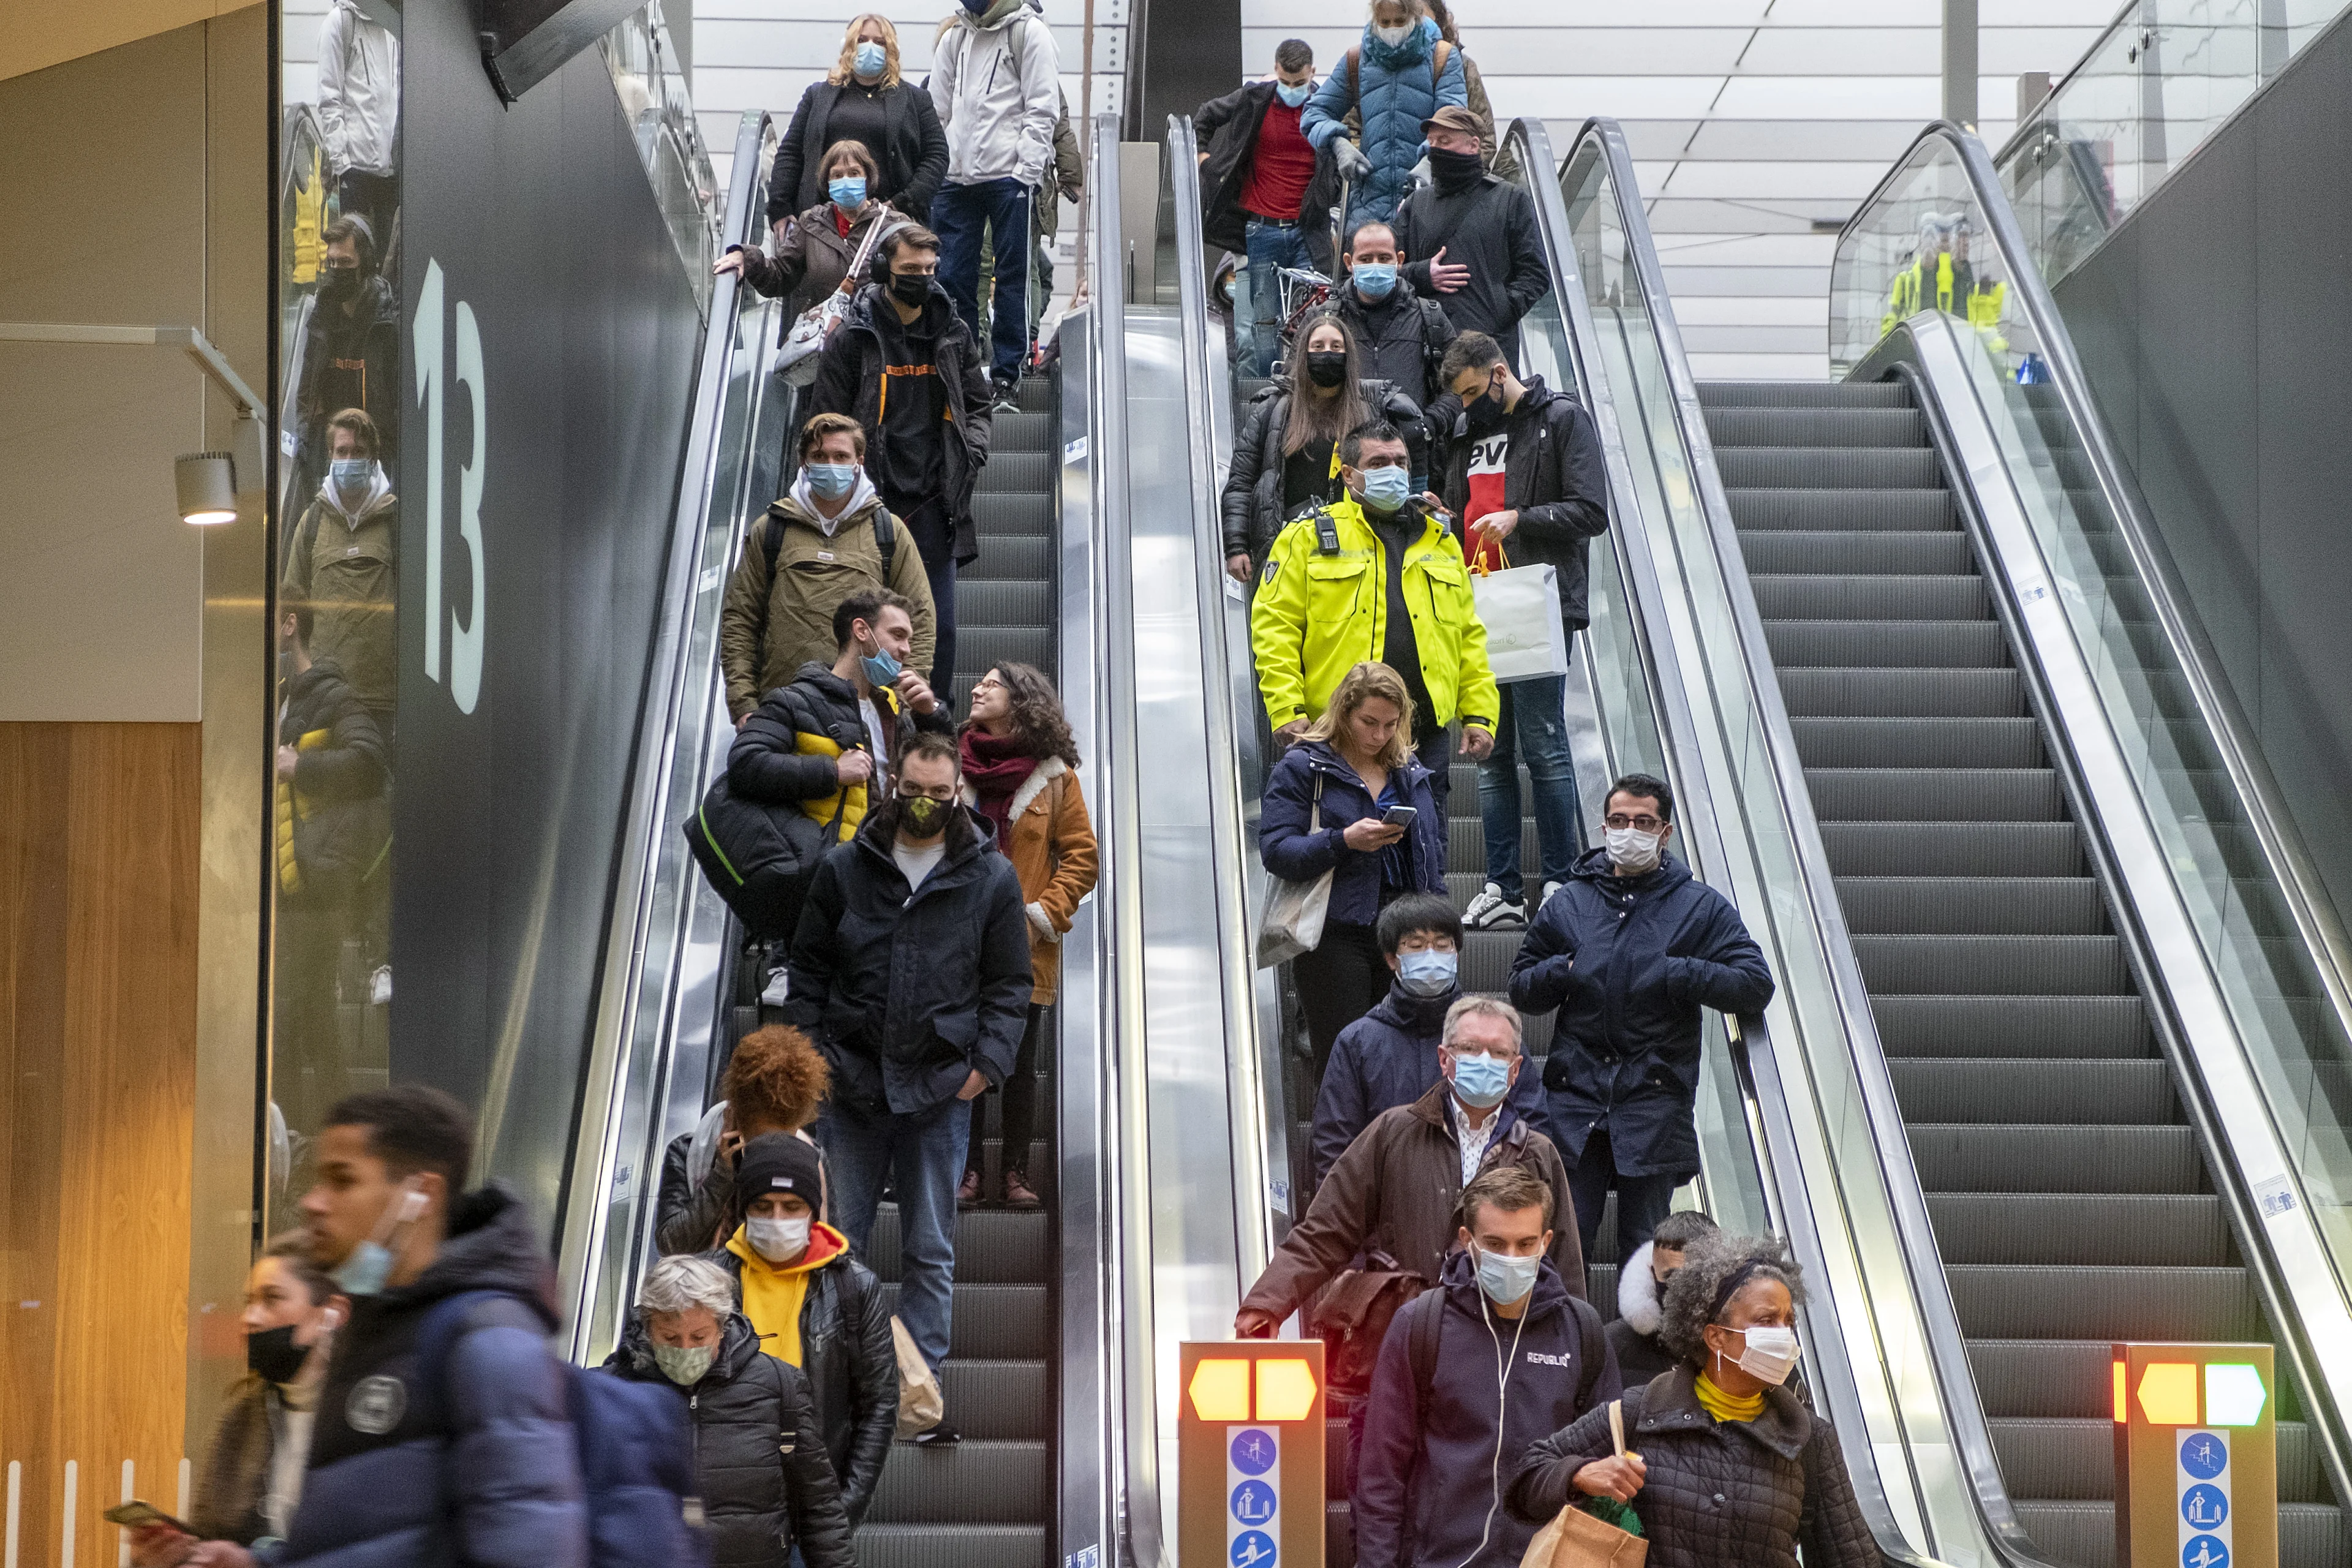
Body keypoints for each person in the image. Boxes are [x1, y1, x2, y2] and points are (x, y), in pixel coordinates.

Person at [160, 1085, 589, 1567]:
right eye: (318, 1180)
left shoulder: (489, 1336)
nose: (314, 1203)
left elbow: (529, 1548)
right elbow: (368, 1539)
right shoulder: (373, 1333)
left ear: (419, 1196)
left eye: (342, 1181)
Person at [785, 731, 1031, 1430]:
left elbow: (1009, 984)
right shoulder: (845, 868)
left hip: (940, 1089)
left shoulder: (990, 876)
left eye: (938, 794)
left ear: (959, 793)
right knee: (839, 1243)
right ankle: (835, 1393)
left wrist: (985, 1069)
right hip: (852, 1085)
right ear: (895, 786)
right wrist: (812, 1059)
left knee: (930, 1248)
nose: (924, 805)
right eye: (913, 792)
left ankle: (917, 1395)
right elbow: (808, 971)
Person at [1235, 997, 1585, 1477]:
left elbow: (1562, 1267)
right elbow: (1326, 1230)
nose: (1484, 1062)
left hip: (1495, 1360)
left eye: (1498, 1053)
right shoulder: (1392, 1133)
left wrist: (1572, 1364)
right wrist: (1267, 1303)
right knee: (1380, 1486)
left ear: (1516, 1069)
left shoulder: (1538, 1153)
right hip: (1396, 1347)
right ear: (1445, 1058)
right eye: (1470, 1049)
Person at [1508, 774, 1775, 1265]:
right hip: (1576, 1100)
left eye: (1642, 822)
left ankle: (1639, 1344)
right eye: (1618, 821)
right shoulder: (1571, 901)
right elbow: (1521, 986)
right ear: (1604, 826)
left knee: (1647, 1256)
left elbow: (1755, 984)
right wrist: (1565, 970)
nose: (1628, 831)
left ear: (1665, 832)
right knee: (1562, 1245)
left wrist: (1675, 972)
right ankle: (1567, 1340)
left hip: (1654, 1102)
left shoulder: (1698, 906)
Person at [1509, 1235, 1875, 1568]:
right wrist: (1579, 1474)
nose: (1783, 1334)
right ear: (1716, 1337)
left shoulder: (1810, 1439)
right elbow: (1528, 1476)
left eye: (1788, 1320)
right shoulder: (1641, 1412)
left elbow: (1850, 1558)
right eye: (1766, 1320)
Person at [1354, 1165, 1619, 1568]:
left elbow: (1607, 1458)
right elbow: (1381, 1472)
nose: (1511, 1258)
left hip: (1549, 1558)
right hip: (1440, 1557)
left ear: (1546, 1242)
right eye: (1495, 1243)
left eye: (1526, 1243)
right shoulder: (1421, 1325)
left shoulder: (1582, 1331)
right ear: (1468, 1241)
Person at [1436, 331, 1608, 932]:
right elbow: (1463, 508)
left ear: (1500, 372)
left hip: (1537, 602)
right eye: (1460, 398)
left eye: (1472, 391)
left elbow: (1592, 511)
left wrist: (1520, 518)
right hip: (1478, 603)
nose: (1467, 406)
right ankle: (1503, 887)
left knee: (1544, 743)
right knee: (1491, 751)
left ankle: (1560, 878)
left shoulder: (1559, 418)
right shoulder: (1468, 433)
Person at [1248, 421, 1496, 826]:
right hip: (1337, 732)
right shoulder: (1308, 537)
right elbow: (1275, 628)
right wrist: (1285, 708)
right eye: (1378, 462)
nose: (1393, 471)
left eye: (1400, 462)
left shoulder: (1440, 541)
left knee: (1425, 856)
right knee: (1345, 856)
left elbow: (1468, 636)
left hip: (1422, 732)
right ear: (1349, 474)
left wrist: (1479, 714)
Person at [810, 225, 994, 699]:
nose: (923, 279)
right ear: (883, 269)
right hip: (869, 503)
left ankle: (928, 723)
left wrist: (972, 450)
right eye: (911, 270)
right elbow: (825, 417)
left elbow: (977, 403)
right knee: (862, 627)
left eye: (931, 270)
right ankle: (860, 718)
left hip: (935, 503)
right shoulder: (853, 336)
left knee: (940, 632)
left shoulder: (952, 332)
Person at [603, 1254, 858, 1568]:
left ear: (722, 1328)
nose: (685, 1349)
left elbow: (819, 1506)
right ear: (647, 1328)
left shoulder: (780, 1386)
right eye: (669, 1338)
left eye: (699, 1337)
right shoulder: (610, 1392)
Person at [1260, 663, 1449, 1077]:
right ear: (1344, 712)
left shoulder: (1409, 770)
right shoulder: (1304, 765)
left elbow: (1432, 852)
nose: (1379, 735)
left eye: (1390, 724)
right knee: (1345, 1065)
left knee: (1403, 1065)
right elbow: (1276, 850)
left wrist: (1441, 926)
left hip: (1405, 932)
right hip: (1334, 933)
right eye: (1369, 722)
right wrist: (1343, 840)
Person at [957, 663, 1098, 1209]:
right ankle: (965, 1170)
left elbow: (1083, 858)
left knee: (1017, 1062)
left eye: (991, 684)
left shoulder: (1056, 776)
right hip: (960, 940)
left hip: (1026, 945)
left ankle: (1013, 1171)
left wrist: (1041, 914)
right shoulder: (950, 765)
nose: (976, 688)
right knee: (960, 1051)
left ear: (1021, 701)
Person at [710, 1135, 897, 1524]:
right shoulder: (709, 1280)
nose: (777, 1219)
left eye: (792, 1206)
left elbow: (878, 1404)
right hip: (723, 1511)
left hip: (809, 1512)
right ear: (745, 1209)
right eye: (763, 1206)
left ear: (813, 1212)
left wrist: (842, 1509)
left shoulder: (855, 1288)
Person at [1308, 891, 1547, 1188]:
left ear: (1456, 954)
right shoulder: (1358, 1042)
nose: (1431, 956)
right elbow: (1334, 1145)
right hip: (1387, 1218)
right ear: (1392, 959)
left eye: (1442, 945)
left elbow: (1533, 1128)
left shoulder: (1493, 1031)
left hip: (1487, 1217)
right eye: (1417, 946)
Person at [130, 1239, 348, 1559]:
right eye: (249, 1302)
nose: (251, 1317)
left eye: (272, 1299)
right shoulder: (242, 1416)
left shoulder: (363, 1410)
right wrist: (174, 1553)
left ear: (330, 1313)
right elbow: (213, 1538)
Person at [721, 412, 942, 726]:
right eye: (819, 456)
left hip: (865, 712)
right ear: (804, 463)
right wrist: (743, 703)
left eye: (841, 456)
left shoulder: (888, 532)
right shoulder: (771, 529)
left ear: (859, 462)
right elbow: (741, 618)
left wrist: (905, 694)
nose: (831, 465)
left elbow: (919, 616)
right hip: (782, 710)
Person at [272, 605, 389, 1131]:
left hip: (316, 891)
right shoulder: (278, 699)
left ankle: (317, 1146)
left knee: (301, 1019)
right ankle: (314, 1146)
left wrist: (303, 766)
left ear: (290, 623)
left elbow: (370, 763)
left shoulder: (333, 696)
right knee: (305, 1021)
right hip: (283, 889)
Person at [1222, 312, 1430, 578]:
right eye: (1318, 347)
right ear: (1303, 354)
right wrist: (1236, 545)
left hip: (1359, 548)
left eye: (1336, 347)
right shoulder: (1272, 410)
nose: (1327, 353)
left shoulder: (1373, 408)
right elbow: (1241, 482)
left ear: (1349, 354)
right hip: (1289, 549)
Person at [928, 0, 1061, 398]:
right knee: (952, 278)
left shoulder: (1029, 33)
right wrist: (940, 166)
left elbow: (1043, 108)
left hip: (1009, 177)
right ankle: (965, 373)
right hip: (957, 179)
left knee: (1012, 279)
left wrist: (1025, 172)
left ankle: (1007, 377)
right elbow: (935, 110)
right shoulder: (956, 36)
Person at [1194, 40, 1341, 377]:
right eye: (1286, 82)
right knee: (1260, 327)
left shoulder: (1325, 107)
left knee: (1318, 323)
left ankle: (1305, 389)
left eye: (1299, 83)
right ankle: (1263, 395)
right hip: (1262, 229)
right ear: (1276, 72)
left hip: (1308, 229)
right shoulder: (1255, 99)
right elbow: (1206, 117)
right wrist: (1206, 162)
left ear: (1312, 74)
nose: (1292, 89)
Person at [657, 1023, 836, 1257]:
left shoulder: (811, 1157)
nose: (774, 1151)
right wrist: (722, 1176)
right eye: (761, 1142)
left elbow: (832, 1247)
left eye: (786, 1139)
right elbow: (672, 1247)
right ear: (735, 1121)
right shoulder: (687, 1152)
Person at [1395, 107, 1550, 374]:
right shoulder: (1416, 203)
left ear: (1473, 145)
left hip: (1490, 348)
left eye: (1445, 141)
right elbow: (1388, 269)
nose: (1436, 150)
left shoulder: (1510, 199)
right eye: (1431, 142)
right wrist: (1422, 275)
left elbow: (1535, 273)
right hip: (1426, 347)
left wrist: (1498, 310)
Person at [769, 15, 948, 245]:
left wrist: (903, 203)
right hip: (822, 224)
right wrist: (780, 206)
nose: (870, 47)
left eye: (879, 41)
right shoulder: (818, 95)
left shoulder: (916, 99)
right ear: (848, 46)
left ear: (892, 49)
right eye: (862, 39)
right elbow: (791, 153)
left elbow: (937, 156)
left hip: (891, 224)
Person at [1302, 0, 1468, 232]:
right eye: (1385, 22)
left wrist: (1432, 161)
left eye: (1400, 21)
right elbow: (1313, 113)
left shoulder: (1441, 57)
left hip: (1428, 204)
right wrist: (1339, 144)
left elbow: (1453, 121)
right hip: (1368, 208)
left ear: (1416, 17)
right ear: (1374, 19)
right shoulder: (1357, 59)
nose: (1392, 28)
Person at [281, 407, 398, 727]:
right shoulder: (312, 523)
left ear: (374, 458)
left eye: (358, 452)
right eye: (342, 451)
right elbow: (292, 608)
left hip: (384, 701)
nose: (349, 459)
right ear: (330, 455)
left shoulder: (396, 522)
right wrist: (307, 677)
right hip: (325, 700)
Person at [722, 141, 912, 323]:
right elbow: (781, 274)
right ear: (828, 182)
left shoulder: (895, 225)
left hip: (879, 341)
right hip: (827, 341)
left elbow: (915, 281)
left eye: (854, 173)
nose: (846, 180)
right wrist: (747, 257)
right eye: (837, 175)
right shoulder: (812, 222)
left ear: (868, 178)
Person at [294, 216, 400, 481]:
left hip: (376, 449)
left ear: (364, 262)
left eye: (345, 262)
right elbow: (308, 383)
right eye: (332, 262)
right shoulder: (323, 311)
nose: (336, 269)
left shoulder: (386, 317)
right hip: (330, 448)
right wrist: (305, 438)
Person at [1332, 219, 1458, 417]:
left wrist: (1431, 424)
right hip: (1345, 443)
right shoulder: (1328, 319)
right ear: (1349, 262)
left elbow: (1460, 382)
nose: (1375, 266)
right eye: (1365, 259)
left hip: (1411, 443)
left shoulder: (1429, 317)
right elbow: (1297, 383)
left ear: (1399, 260)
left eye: (1384, 258)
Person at [315, 0, 399, 238]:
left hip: (392, 174)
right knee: (353, 261)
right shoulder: (340, 22)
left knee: (388, 265)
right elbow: (329, 99)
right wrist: (343, 166)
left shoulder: (394, 24)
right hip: (356, 174)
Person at [1609, 1209, 1719, 1387]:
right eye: (1673, 1277)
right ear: (1652, 1273)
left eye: (1695, 1276)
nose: (1684, 1287)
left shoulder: (1744, 1339)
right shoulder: (1613, 1346)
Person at [1420, 0, 1519, 181]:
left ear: (1438, 21)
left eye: (1422, 18)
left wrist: (1457, 182)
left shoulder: (1462, 67)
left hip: (1447, 190)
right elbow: (1356, 128)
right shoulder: (1372, 67)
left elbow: (1484, 138)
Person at [1882, 211, 2005, 340]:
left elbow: (1990, 333)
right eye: (1931, 237)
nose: (1964, 243)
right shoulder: (1906, 282)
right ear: (1920, 240)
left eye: (1965, 237)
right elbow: (1889, 332)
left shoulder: (1980, 283)